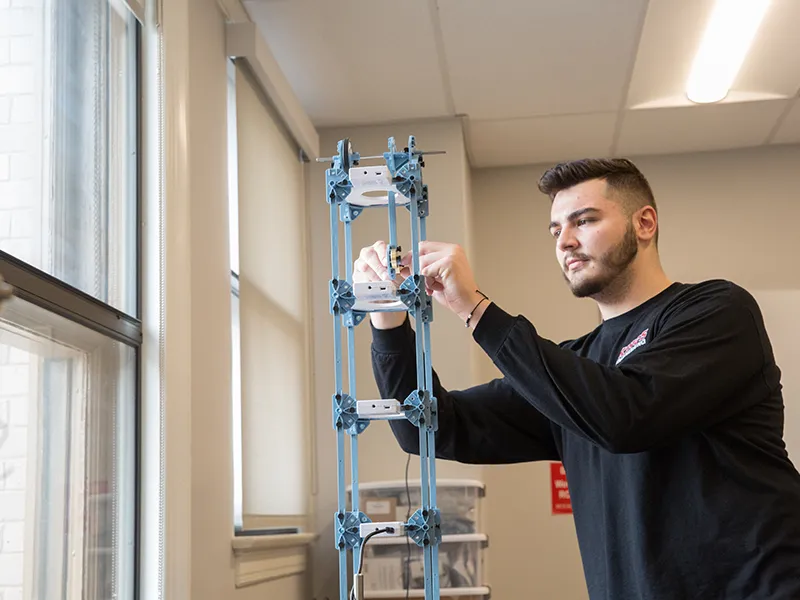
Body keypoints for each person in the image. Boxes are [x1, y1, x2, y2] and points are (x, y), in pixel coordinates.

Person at [352, 158, 800, 600]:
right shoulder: (572, 371)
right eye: (555, 231)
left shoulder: (717, 311)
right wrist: (387, 322)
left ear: (644, 223)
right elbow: (427, 427)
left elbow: (625, 415)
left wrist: (475, 308)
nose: (565, 242)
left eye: (583, 221)